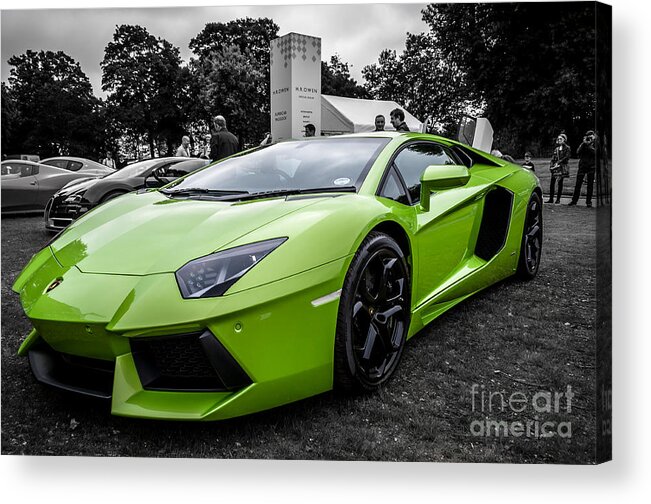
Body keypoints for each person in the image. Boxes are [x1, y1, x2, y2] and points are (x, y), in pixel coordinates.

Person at [568, 130, 596, 207]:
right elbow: (577, 152)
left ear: (594, 136)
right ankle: (574, 200)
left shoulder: (596, 144)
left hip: (591, 166)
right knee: (578, 184)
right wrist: (583, 143)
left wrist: (589, 145)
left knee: (590, 185)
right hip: (582, 165)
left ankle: (588, 202)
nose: (589, 138)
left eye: (591, 136)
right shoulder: (583, 144)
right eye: (588, 136)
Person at [547, 133, 571, 204]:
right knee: (552, 183)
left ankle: (558, 199)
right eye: (558, 139)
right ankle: (551, 199)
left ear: (564, 140)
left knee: (560, 183)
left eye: (561, 139)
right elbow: (553, 158)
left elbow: (567, 158)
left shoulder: (567, 148)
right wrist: (551, 165)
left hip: (561, 168)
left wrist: (559, 162)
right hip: (555, 168)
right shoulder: (556, 149)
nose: (559, 140)